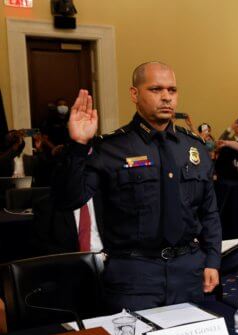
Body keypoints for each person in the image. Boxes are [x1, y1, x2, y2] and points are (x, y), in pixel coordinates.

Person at [53, 61, 221, 312]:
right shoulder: (111, 148)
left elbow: (209, 212)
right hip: (134, 276)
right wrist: (78, 145)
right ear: (134, 94)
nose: (166, 97)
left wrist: (213, 260)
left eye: (172, 90)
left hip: (188, 271)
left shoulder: (193, 147)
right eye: (155, 89)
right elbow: (68, 199)